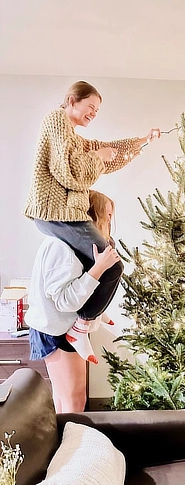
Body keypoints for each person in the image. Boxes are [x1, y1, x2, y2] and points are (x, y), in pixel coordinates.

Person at [24, 80, 160, 362]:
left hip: (61, 214)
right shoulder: (56, 119)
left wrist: (141, 142)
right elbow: (71, 172)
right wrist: (98, 157)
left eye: (97, 111)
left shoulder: (73, 136)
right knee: (112, 266)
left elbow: (107, 150)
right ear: (72, 100)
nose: (94, 114)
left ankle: (93, 311)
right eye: (91, 107)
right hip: (57, 213)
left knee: (101, 252)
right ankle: (82, 326)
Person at [25, 190, 120, 413]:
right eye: (106, 215)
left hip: (62, 327)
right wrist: (98, 269)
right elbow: (66, 302)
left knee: (67, 397)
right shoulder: (60, 247)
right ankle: (73, 445)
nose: (109, 222)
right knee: (73, 400)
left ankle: (67, 444)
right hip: (57, 330)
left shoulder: (72, 246)